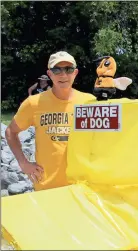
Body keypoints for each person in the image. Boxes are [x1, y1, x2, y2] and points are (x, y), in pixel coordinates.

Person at [5, 51, 95, 191]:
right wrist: (23, 163)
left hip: (82, 186)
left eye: (68, 69)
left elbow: (103, 139)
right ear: (49, 74)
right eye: (56, 70)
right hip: (46, 186)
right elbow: (11, 131)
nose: (63, 75)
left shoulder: (89, 102)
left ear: (75, 73)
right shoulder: (34, 103)